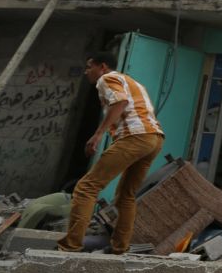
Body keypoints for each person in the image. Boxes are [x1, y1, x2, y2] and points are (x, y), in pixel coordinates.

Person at [57, 52, 164, 254]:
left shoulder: (106, 79)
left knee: (86, 187)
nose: (87, 71)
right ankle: (120, 247)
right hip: (154, 138)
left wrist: (98, 135)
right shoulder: (133, 82)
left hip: (136, 137)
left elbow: (120, 102)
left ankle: (70, 246)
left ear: (103, 67)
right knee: (126, 196)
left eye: (90, 67)